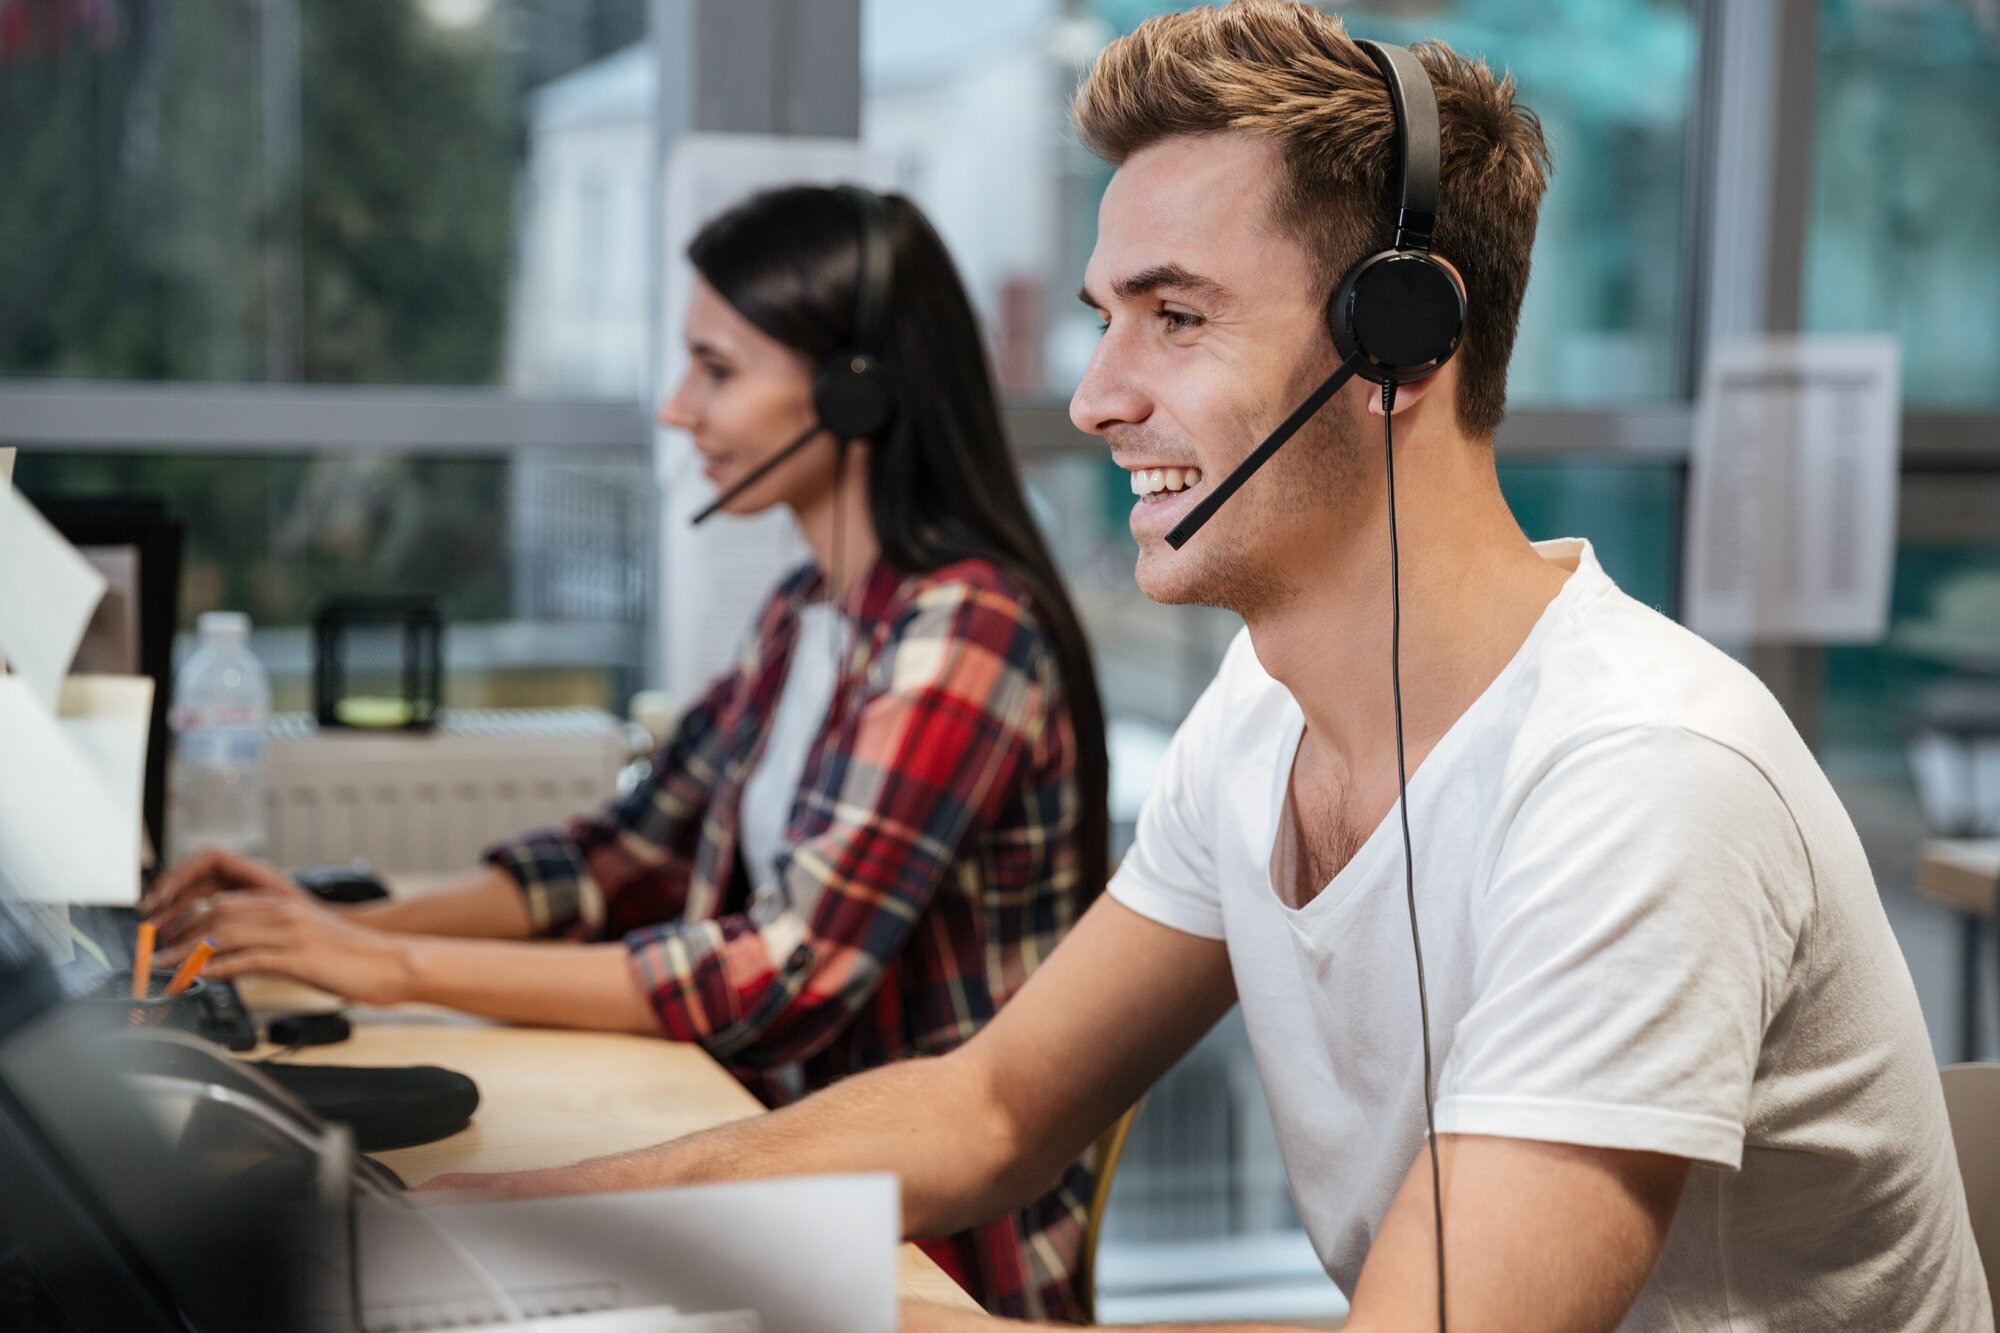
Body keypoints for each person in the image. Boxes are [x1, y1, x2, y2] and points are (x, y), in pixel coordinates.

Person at [414, 5, 1993, 1330]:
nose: (1096, 399)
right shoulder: (1263, 711)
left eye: (1175, 318)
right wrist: (477, 1226)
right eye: (1109, 317)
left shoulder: (1646, 782)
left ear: (1398, 344)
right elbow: (990, 1109)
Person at [144, 184, 1111, 1323]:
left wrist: (374, 965)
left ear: (853, 393)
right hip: (782, 1169)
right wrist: (329, 929)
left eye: (715, 368)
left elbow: (779, 975)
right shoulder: (811, 612)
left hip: (925, 1251)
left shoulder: (966, 632)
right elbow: (613, 854)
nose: (673, 408)